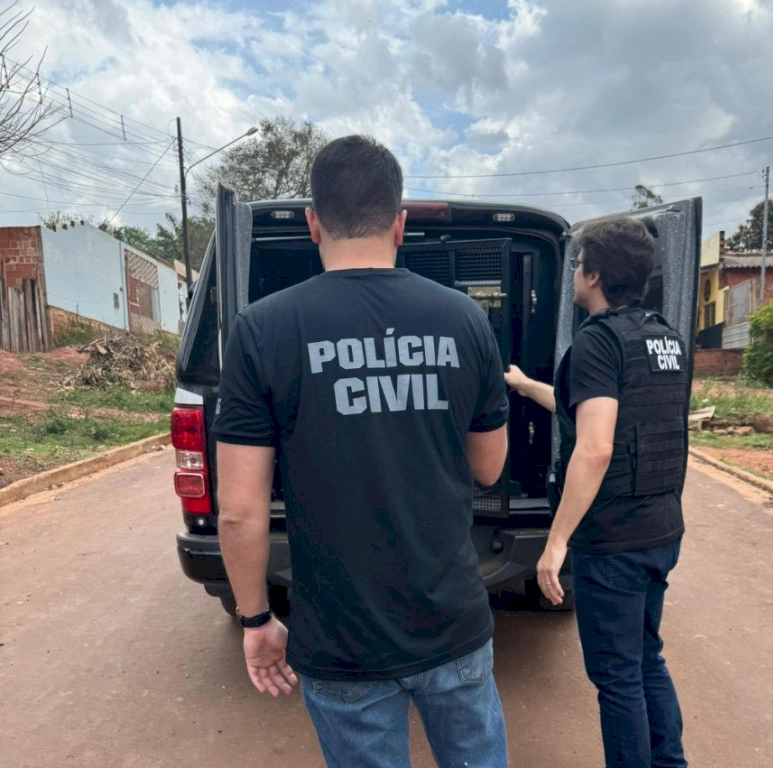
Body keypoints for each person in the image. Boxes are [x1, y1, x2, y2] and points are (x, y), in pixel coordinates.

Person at [212, 134, 510, 768]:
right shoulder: (465, 319)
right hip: (453, 623)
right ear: (399, 223)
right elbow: (489, 467)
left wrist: (256, 620)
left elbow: (238, 511)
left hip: (341, 638)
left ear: (313, 223)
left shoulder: (262, 328)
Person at [504, 217, 688, 768]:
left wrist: (556, 541)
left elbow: (595, 447)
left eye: (579, 263)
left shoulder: (597, 341)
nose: (575, 272)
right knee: (646, 659)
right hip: (659, 529)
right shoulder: (663, 337)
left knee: (617, 677)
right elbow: (591, 409)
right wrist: (524, 385)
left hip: (614, 542)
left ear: (594, 275)